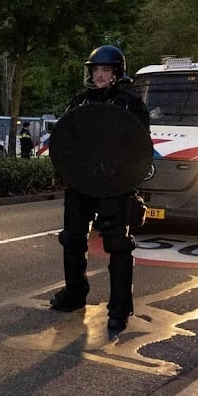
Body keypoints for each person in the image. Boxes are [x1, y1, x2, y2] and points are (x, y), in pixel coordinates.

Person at [49, 45, 150, 332]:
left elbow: (138, 145)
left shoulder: (130, 104)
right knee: (72, 238)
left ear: (117, 73)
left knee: (117, 244)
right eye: (96, 70)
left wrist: (127, 179)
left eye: (105, 70)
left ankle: (119, 307)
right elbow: (65, 138)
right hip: (81, 183)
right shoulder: (80, 102)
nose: (99, 75)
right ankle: (75, 293)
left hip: (115, 184)